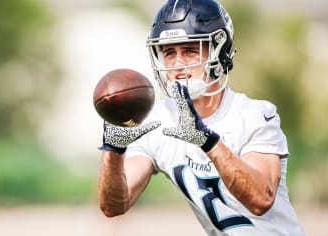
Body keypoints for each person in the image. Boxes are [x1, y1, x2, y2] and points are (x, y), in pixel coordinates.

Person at [97, 0, 305, 235]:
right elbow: (114, 205)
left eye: (189, 50)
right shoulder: (157, 120)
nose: (177, 64)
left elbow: (260, 200)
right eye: (169, 52)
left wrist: (207, 141)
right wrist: (114, 152)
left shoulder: (255, 115)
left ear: (219, 51)